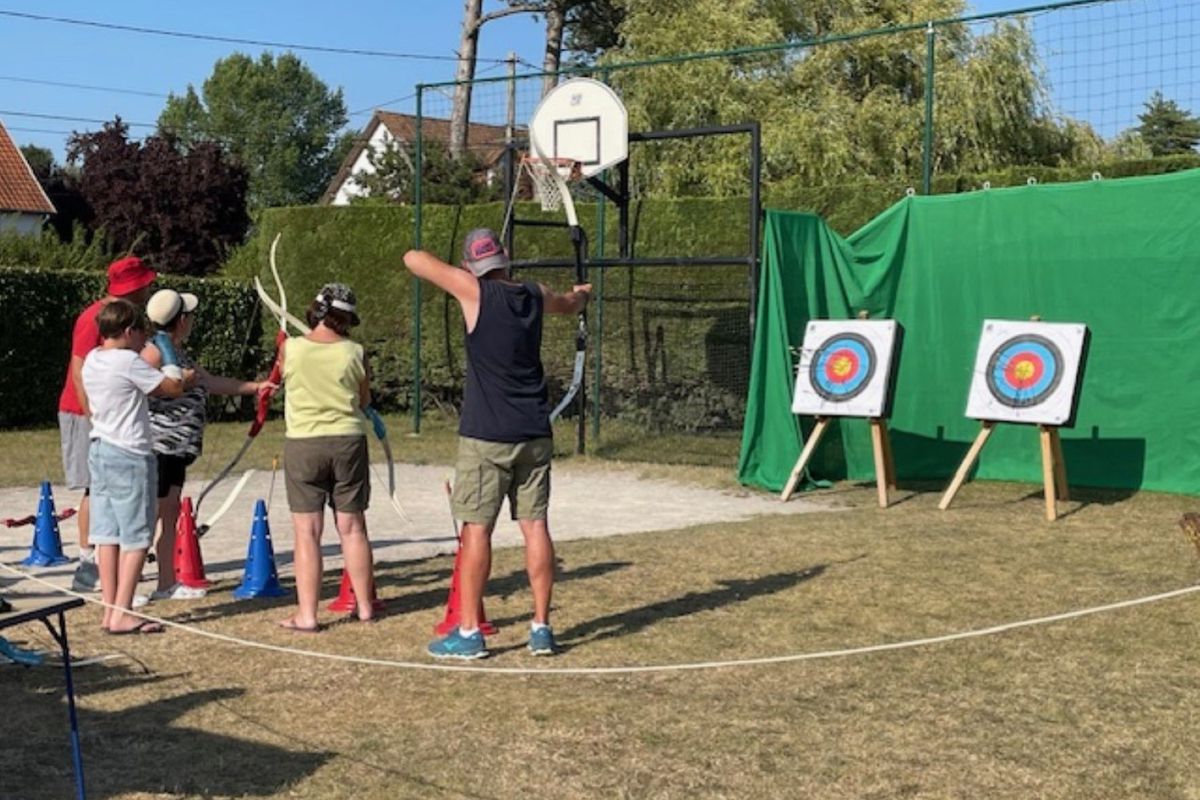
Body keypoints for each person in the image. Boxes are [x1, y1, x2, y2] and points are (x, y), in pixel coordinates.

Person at [404, 228, 591, 659]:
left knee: (477, 530)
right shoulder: (534, 293)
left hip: (486, 435)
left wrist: (464, 273)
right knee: (536, 526)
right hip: (534, 431)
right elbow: (569, 303)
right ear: (505, 259)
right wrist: (581, 296)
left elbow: (413, 258)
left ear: (472, 266)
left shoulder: (474, 291)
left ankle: (470, 633)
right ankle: (541, 627)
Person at [139, 289, 270, 601]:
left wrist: (256, 388)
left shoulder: (177, 353)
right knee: (148, 519)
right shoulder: (154, 352)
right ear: (181, 320)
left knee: (169, 514)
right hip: (159, 448)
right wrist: (178, 383)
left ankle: (166, 584)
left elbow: (210, 382)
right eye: (189, 316)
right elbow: (139, 388)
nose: (192, 321)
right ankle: (125, 589)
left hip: (176, 451)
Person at [82, 300, 192, 634]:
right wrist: (171, 357)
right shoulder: (127, 361)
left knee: (107, 534)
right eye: (141, 332)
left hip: (100, 450)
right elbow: (172, 388)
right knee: (137, 536)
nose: (144, 338)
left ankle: (110, 610)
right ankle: (123, 613)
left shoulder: (93, 358)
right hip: (130, 454)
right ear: (128, 331)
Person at [277, 283, 378, 632]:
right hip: (348, 441)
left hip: (304, 442)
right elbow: (364, 400)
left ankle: (308, 615)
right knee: (353, 527)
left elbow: (279, 379)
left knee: (307, 532)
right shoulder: (355, 352)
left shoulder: (291, 348)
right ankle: (365, 606)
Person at [58, 256, 157, 593]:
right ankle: (89, 562)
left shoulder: (122, 317)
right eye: (145, 284)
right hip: (84, 410)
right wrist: (94, 416)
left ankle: (111, 564)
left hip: (103, 412)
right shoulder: (96, 318)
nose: (149, 289)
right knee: (93, 487)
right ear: (133, 287)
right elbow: (78, 368)